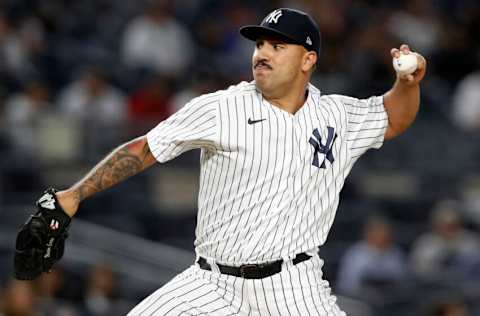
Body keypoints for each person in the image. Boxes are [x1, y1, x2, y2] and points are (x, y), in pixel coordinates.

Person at [17, 8, 426, 315]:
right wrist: (73, 195)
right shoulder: (221, 108)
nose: (262, 54)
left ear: (308, 60)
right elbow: (144, 148)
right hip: (211, 283)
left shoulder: (337, 116)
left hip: (293, 286)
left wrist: (406, 83)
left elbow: (394, 117)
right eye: (260, 44)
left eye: (277, 46)